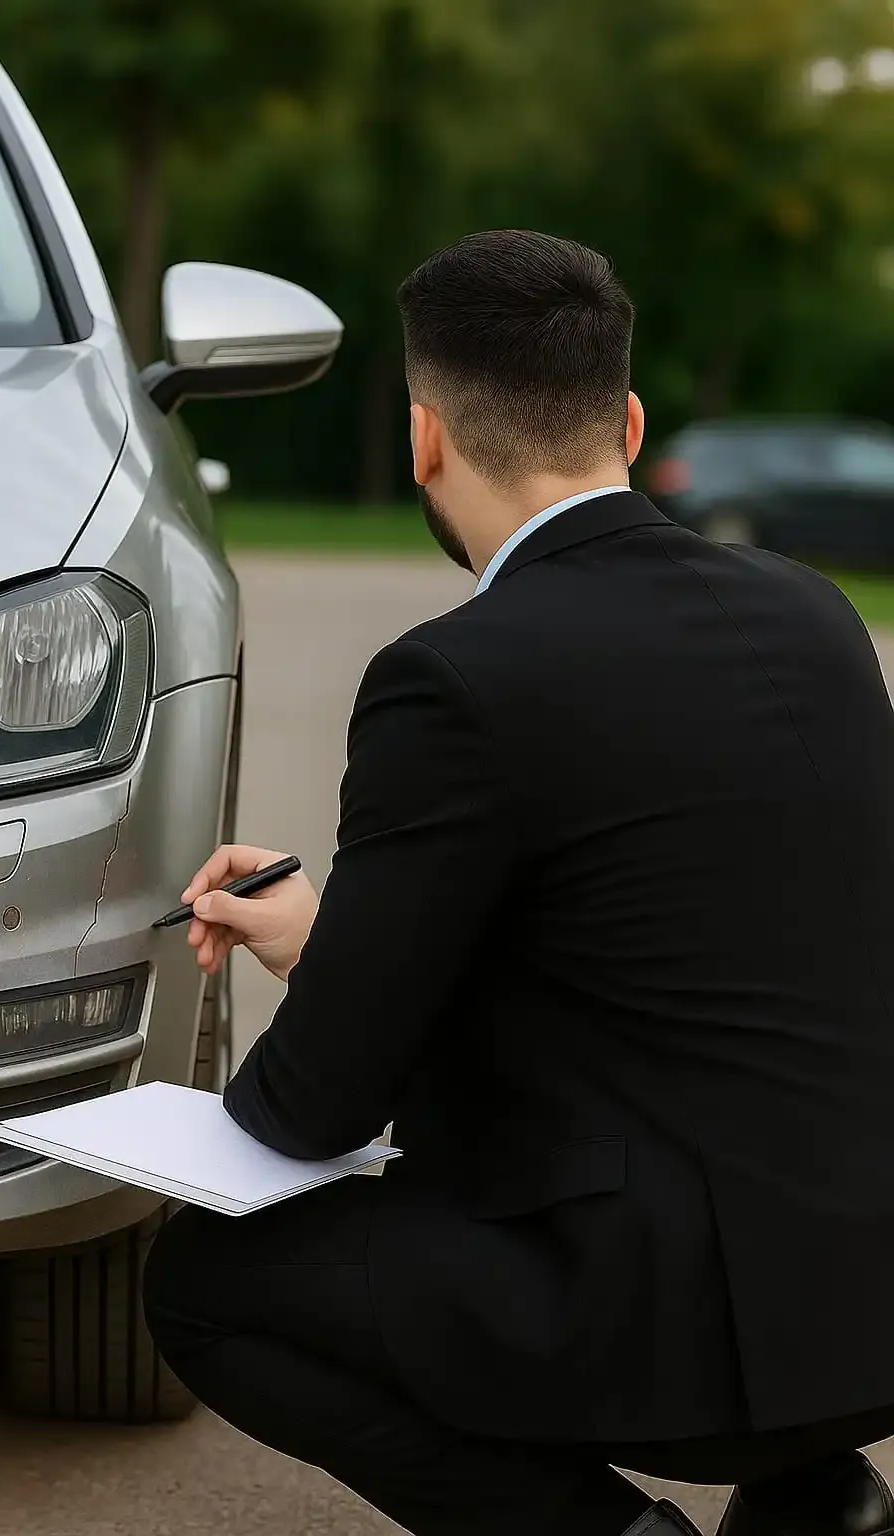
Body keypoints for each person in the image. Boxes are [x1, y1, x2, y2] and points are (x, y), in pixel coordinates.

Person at [143, 230, 894, 1536]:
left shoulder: (453, 678)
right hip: (866, 1308)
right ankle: (825, 1504)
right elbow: (674, 948)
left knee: (205, 1283)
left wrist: (338, 995)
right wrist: (342, 935)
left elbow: (311, 1112)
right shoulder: (812, 614)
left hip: (672, 1335)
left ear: (426, 441)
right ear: (631, 417)